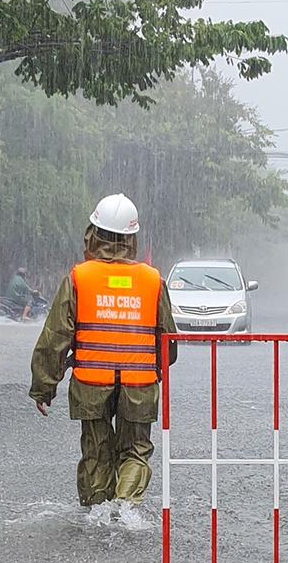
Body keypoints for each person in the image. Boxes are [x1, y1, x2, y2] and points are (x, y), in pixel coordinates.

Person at [28, 193, 177, 510]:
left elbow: (55, 337)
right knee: (135, 451)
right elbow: (168, 340)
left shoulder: (80, 278)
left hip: (90, 384)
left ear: (93, 234)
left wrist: (44, 387)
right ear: (132, 238)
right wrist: (157, 370)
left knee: (96, 451)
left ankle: (97, 512)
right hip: (139, 384)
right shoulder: (153, 280)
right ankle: (125, 507)